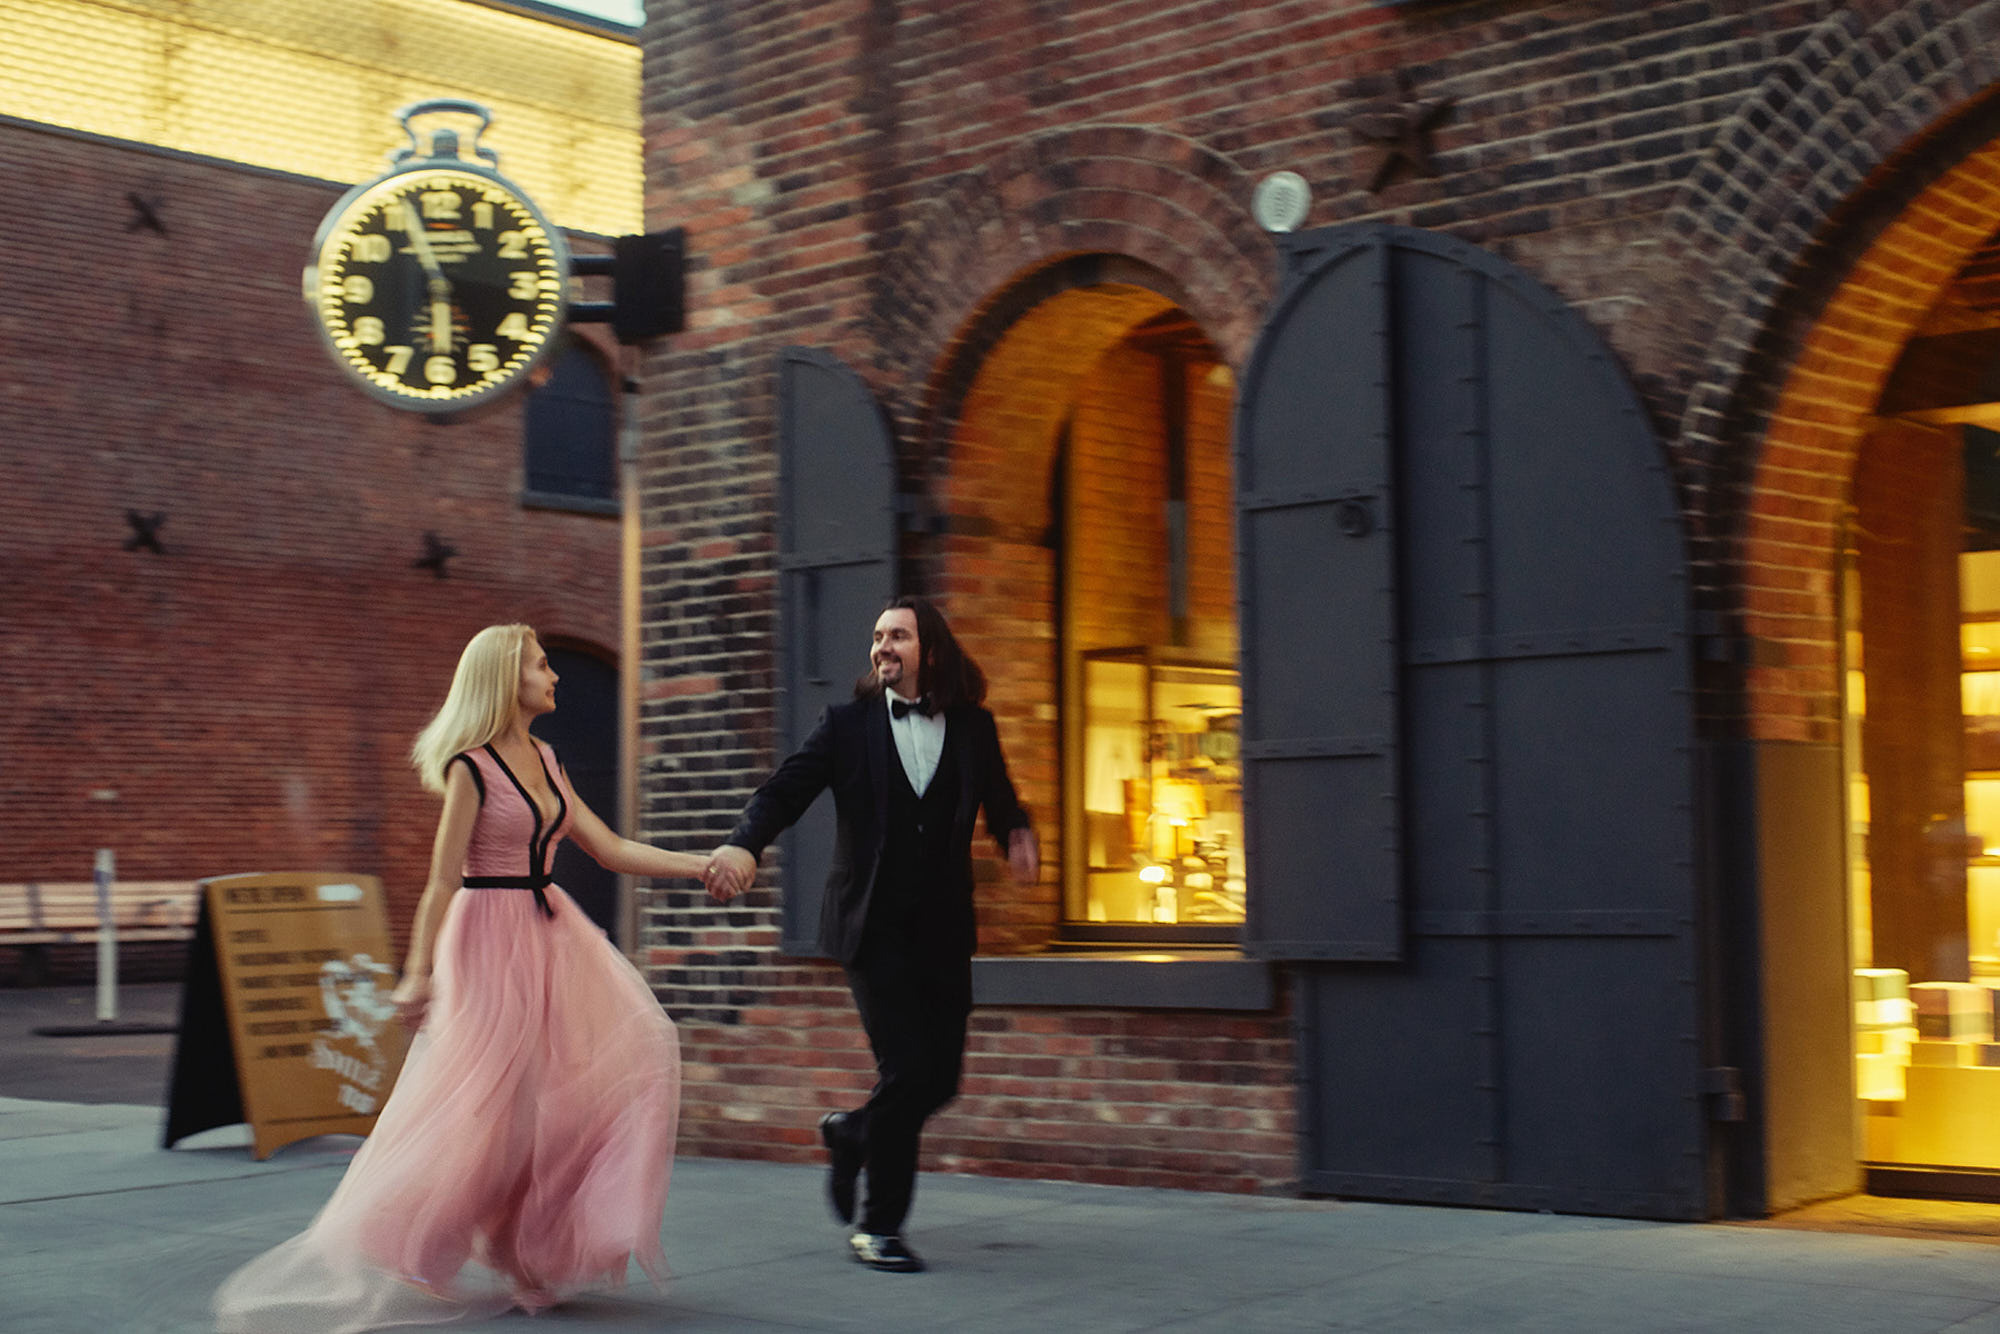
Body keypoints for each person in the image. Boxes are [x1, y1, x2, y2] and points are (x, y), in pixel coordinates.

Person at [215, 624, 709, 1333]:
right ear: (506, 677)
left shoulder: (548, 757)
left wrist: (701, 865)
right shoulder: (469, 769)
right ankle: (420, 1234)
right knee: (492, 1110)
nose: (555, 675)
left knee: (587, 1081)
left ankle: (530, 1255)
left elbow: (608, 847)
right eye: (543, 665)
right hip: (485, 941)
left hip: (552, 934)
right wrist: (417, 975)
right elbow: (442, 881)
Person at [705, 595, 1037, 1274]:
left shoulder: (974, 727)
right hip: (871, 924)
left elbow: (997, 796)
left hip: (944, 928)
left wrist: (1017, 834)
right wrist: (744, 846)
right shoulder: (846, 726)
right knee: (907, 1069)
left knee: (939, 1079)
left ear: (931, 651)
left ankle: (853, 1131)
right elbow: (783, 792)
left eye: (898, 637)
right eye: (878, 635)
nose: (882, 647)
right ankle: (877, 1229)